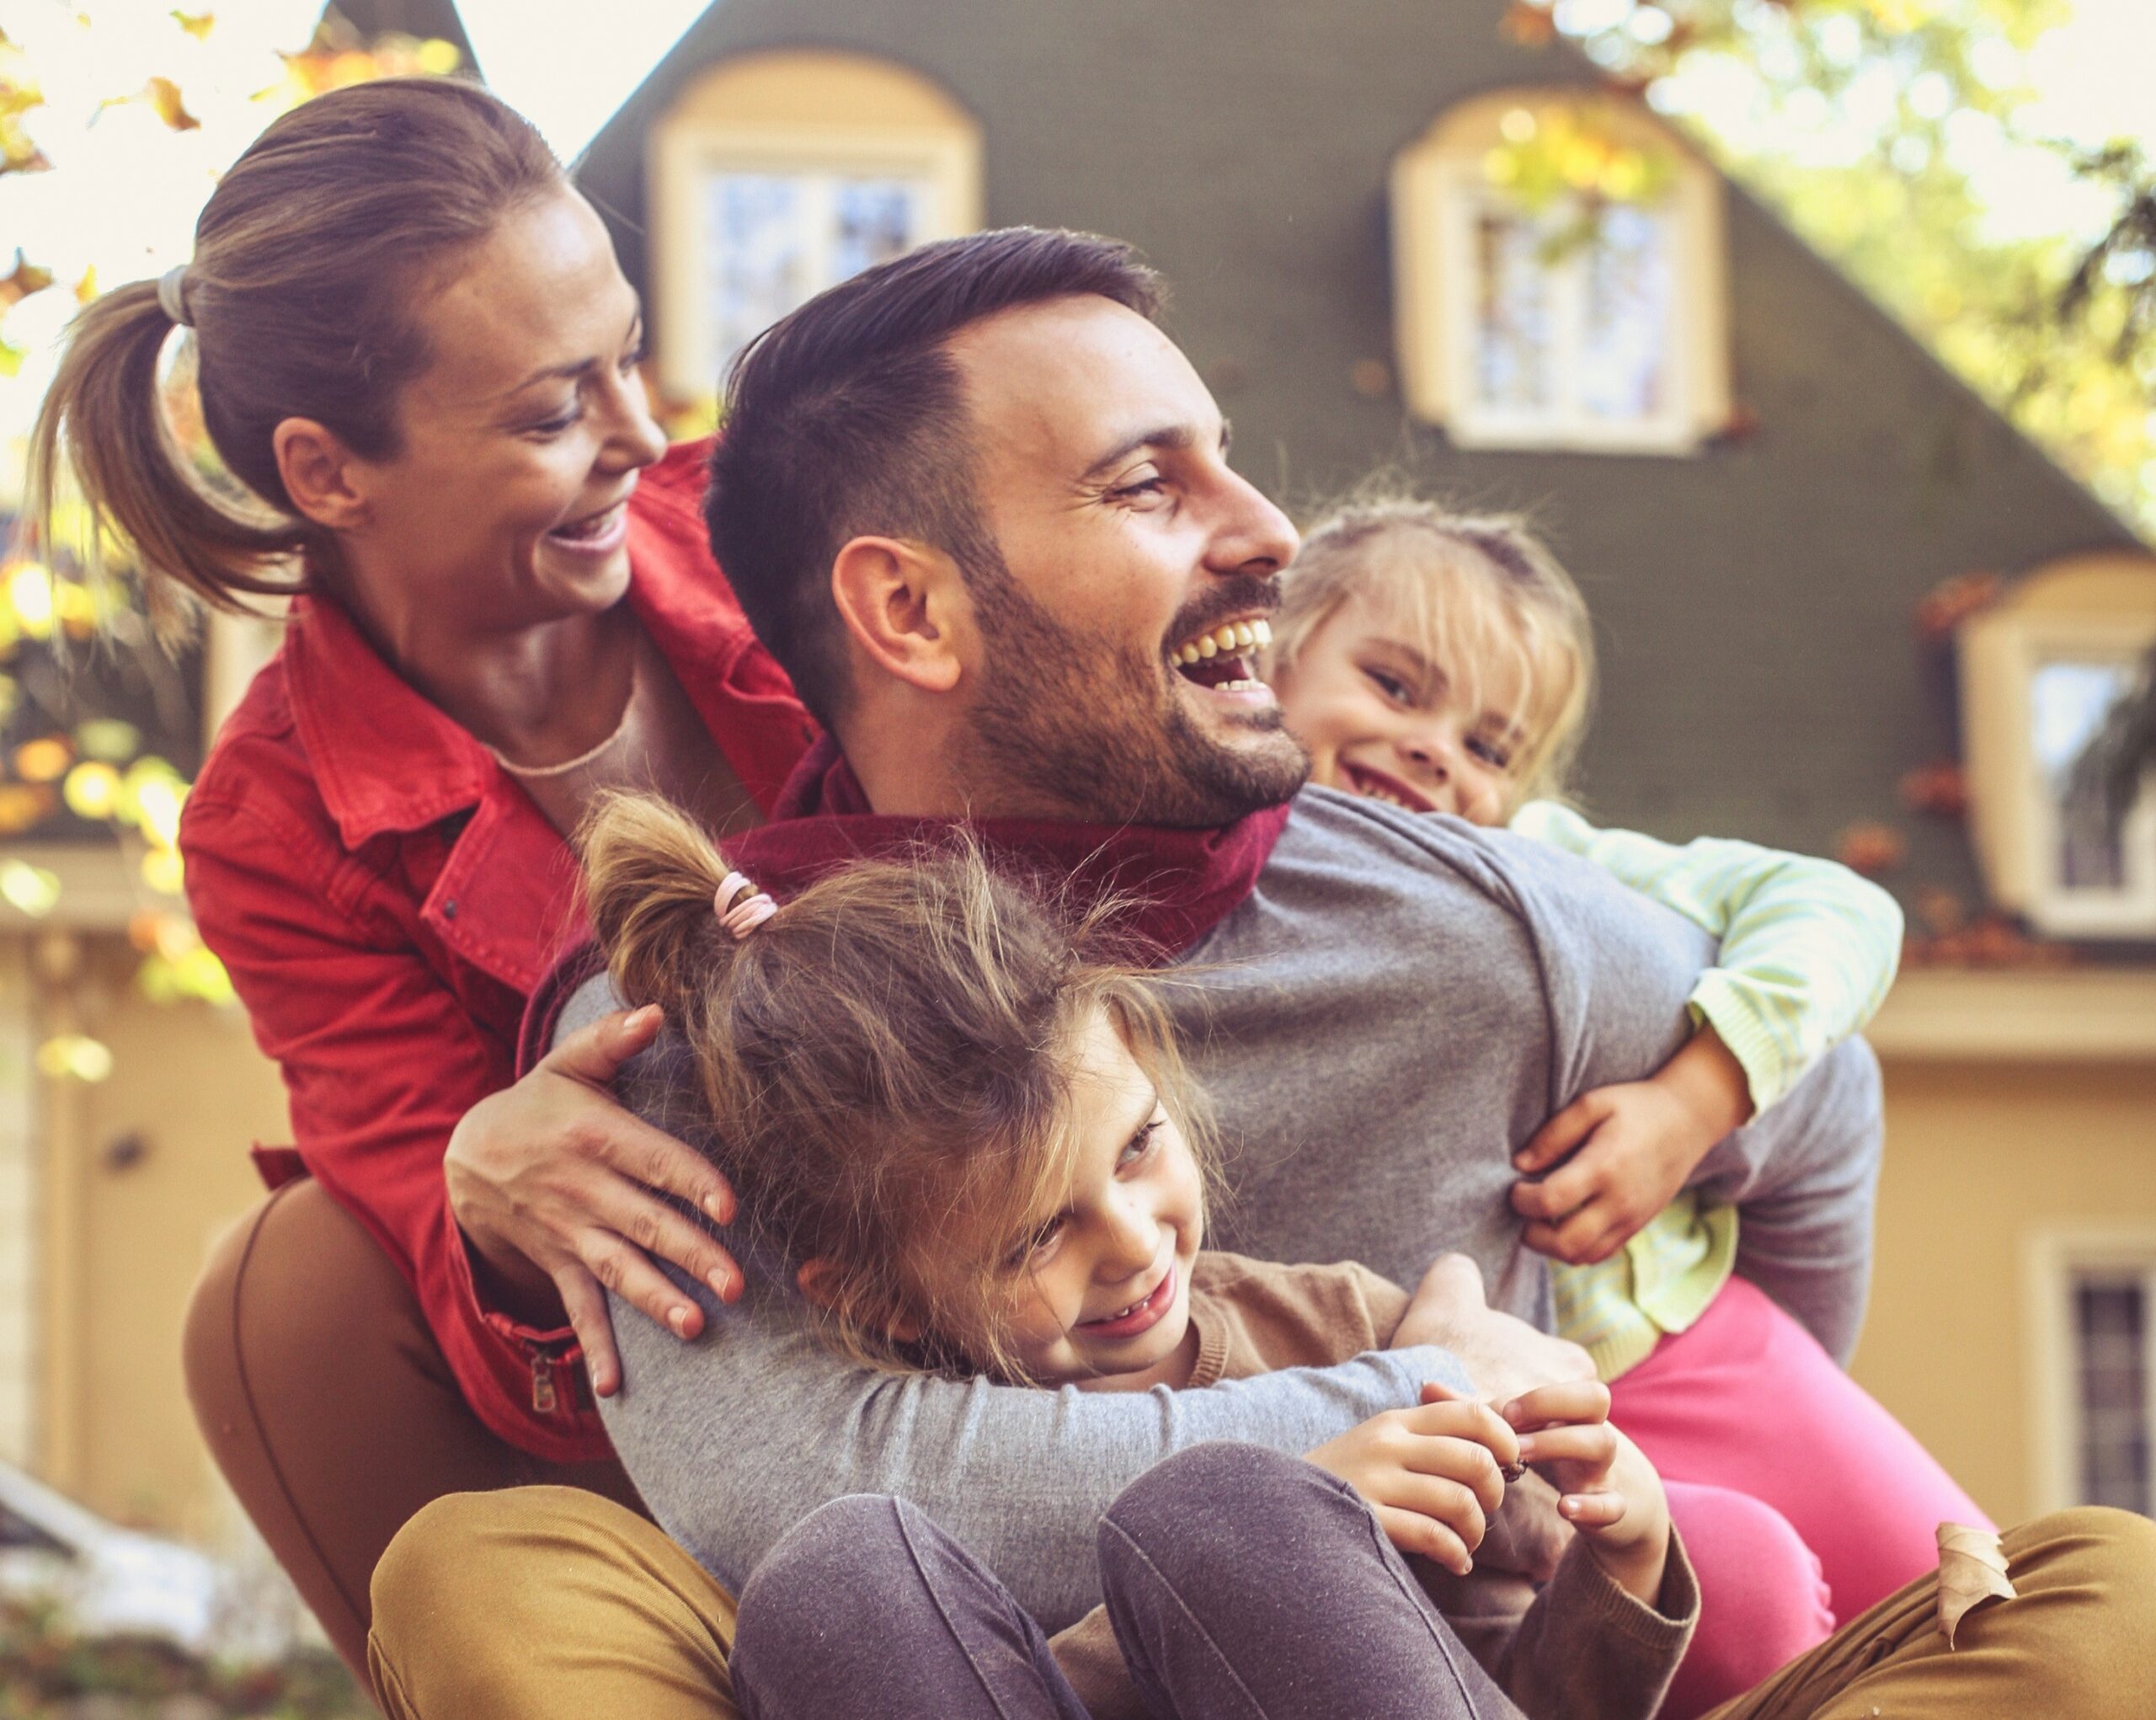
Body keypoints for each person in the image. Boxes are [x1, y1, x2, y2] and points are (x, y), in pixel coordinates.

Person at [364, 227, 1958, 1714]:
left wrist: (1656, 1361)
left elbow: (1817, 1102)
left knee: (2078, 1595)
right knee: (495, 1569)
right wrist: (1413, 1396)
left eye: (1229, 461)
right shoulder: (691, 1036)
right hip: (973, 1668)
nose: (1272, 532)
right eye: (1148, 485)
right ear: (909, 610)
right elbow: (794, 1483)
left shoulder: (1481, 926)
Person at [366, 794, 2156, 1720]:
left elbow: (1556, 1683)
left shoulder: (1346, 1319)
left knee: (2110, 1589)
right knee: (836, 1580)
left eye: (1138, 1154)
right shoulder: (914, 1483)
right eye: (1036, 1237)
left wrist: (1614, 1541)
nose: (1132, 1242)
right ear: (883, 1299)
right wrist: (1296, 1474)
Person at [26, 77, 819, 1685]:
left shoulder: (778, 517)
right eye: (550, 412)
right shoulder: (276, 829)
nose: (640, 433)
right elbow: (500, 1341)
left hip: (1042, 1212)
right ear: (329, 474)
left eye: (627, 351)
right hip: (717, 1361)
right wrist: (499, 1205)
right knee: (290, 1272)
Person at [1262, 495, 1984, 1630]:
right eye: (1397, 686)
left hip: (1682, 1343)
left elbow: (1837, 903)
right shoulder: (1226, 885)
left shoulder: (1541, 859)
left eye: (1488, 744)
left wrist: (1693, 1100)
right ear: (1272, 661)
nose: (1432, 747)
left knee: (1973, 1604)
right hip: (1517, 1426)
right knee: (1756, 1620)